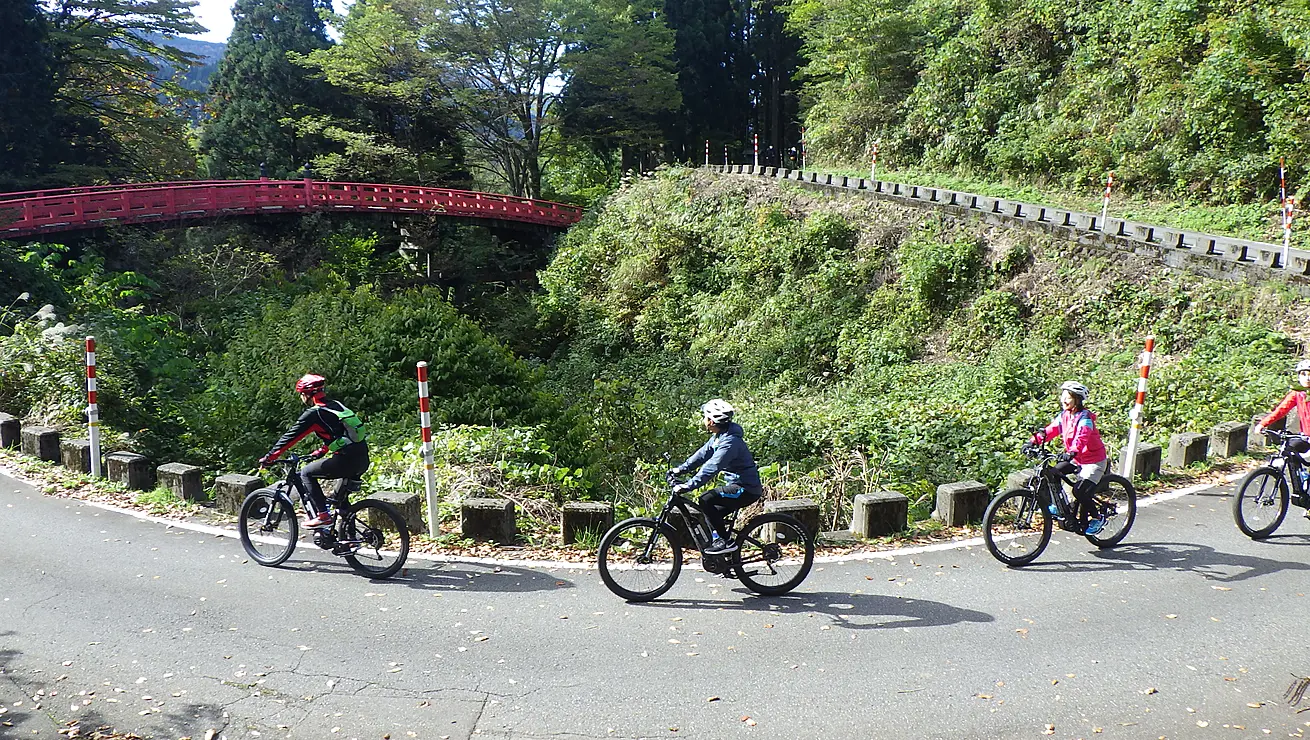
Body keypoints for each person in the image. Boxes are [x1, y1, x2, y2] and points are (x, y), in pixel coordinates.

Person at [259, 374, 370, 528]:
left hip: (346, 460)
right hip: (362, 458)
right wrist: (322, 450)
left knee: (306, 473)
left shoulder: (314, 414)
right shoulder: (335, 405)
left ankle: (323, 515)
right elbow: (340, 433)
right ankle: (348, 542)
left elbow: (290, 437)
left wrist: (270, 457)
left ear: (306, 394)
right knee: (340, 501)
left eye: (301, 394)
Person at [669, 399, 764, 554]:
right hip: (737, 485)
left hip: (746, 488)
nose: (703, 420)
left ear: (711, 421)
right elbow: (702, 454)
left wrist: (689, 485)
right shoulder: (720, 436)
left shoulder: (730, 442)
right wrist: (680, 469)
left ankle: (725, 542)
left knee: (706, 499)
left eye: (705, 417)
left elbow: (712, 466)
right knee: (710, 512)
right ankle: (726, 555)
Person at [1028, 381, 1109, 535]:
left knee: (1080, 492)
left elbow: (1082, 437)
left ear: (1077, 400)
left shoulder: (1085, 418)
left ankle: (1098, 517)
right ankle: (1060, 506)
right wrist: (1032, 442)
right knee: (1052, 473)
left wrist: (1072, 451)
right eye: (1063, 397)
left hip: (1093, 461)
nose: (1064, 400)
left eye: (1068, 398)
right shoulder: (1064, 416)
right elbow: (1049, 431)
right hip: (1077, 458)